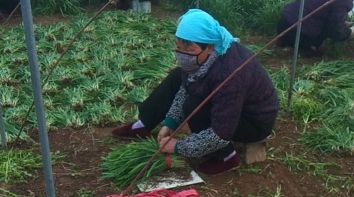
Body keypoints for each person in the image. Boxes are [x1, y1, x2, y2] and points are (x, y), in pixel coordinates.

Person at [112, 9, 279, 175]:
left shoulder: (230, 73)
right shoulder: (205, 57)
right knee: (177, 75)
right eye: (178, 47)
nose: (182, 54)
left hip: (252, 122)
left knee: (194, 104)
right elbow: (187, 86)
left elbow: (221, 133)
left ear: (209, 47)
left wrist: (178, 147)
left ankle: (226, 157)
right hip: (232, 107)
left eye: (189, 49)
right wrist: (170, 123)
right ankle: (143, 124)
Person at [276, 0, 354, 57]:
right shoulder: (345, 1)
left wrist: (342, 23)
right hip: (295, 32)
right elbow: (335, 31)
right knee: (320, 50)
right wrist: (350, 32)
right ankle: (304, 50)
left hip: (283, 23)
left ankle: (282, 39)